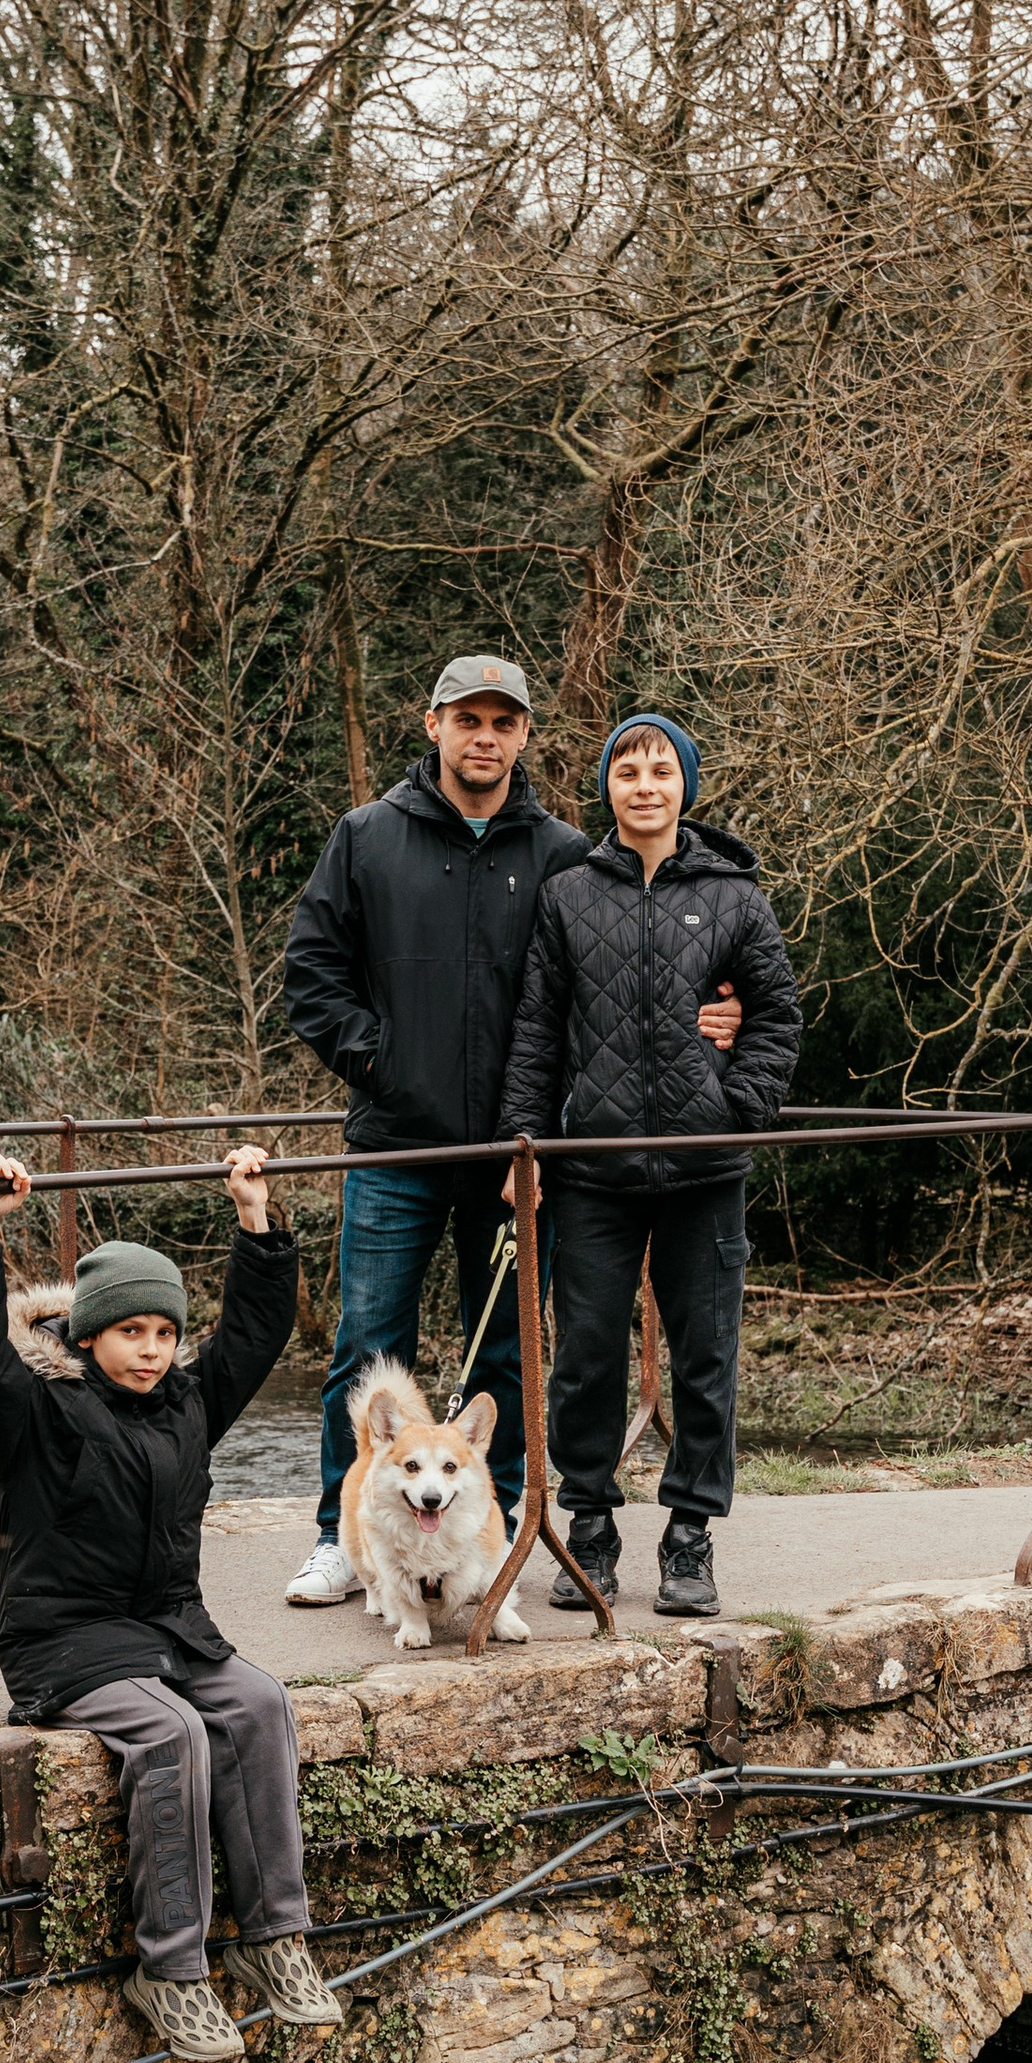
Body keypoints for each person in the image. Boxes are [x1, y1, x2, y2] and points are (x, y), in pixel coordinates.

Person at [280, 650, 744, 1605]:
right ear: (435, 725)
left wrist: (721, 1008)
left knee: (507, 1353)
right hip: (397, 1144)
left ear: (525, 735)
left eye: (503, 722)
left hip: (519, 1153)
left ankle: (482, 1537)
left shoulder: (565, 853)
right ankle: (340, 1533)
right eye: (468, 719)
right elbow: (311, 973)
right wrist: (379, 1061)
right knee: (368, 1347)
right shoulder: (366, 838)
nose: (484, 737)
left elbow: (630, 971)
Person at [0, 1146, 345, 2063]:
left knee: (260, 1704)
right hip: (65, 1641)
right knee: (172, 1736)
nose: (152, 1350)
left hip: (170, 1629)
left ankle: (276, 1937)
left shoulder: (190, 1400)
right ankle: (171, 1969)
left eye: (165, 1332)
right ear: (88, 1336)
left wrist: (254, 1218)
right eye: (132, 1333)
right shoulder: (35, 1413)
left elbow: (258, 1332)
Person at [496, 712, 802, 1618]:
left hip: (705, 1175)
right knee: (584, 1358)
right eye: (626, 769)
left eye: (661, 769)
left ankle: (689, 1538)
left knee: (706, 1358)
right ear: (608, 788)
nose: (643, 783)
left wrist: (736, 1106)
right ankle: (587, 1526)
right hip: (592, 1171)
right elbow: (536, 1034)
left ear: (685, 787)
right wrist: (526, 1147)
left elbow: (777, 1016)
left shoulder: (737, 895)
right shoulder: (568, 894)